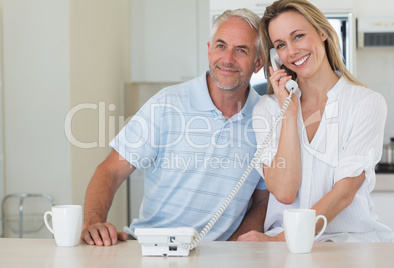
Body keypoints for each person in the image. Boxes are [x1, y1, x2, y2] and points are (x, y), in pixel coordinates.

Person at [81, 8, 269, 246]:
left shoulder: (267, 118)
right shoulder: (166, 103)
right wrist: (94, 221)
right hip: (151, 248)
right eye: (221, 46)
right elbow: (111, 170)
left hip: (221, 255)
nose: (228, 58)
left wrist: (232, 247)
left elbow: (263, 200)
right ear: (210, 50)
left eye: (241, 50)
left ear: (258, 63)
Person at [238, 0, 394, 242]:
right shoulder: (268, 109)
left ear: (322, 32)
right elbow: (285, 192)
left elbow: (344, 194)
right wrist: (289, 114)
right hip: (284, 251)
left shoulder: (365, 103)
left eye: (298, 36)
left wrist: (279, 241)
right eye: (280, 45)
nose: (291, 52)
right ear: (274, 56)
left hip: (347, 244)